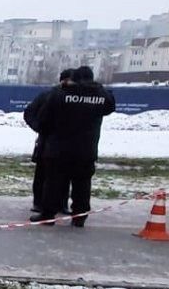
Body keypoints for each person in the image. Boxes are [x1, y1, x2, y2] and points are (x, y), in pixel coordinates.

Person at [31, 66, 115, 226]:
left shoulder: (60, 94)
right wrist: (97, 87)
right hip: (86, 149)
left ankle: (48, 215)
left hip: (58, 148)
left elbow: (44, 119)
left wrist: (46, 134)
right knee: (82, 184)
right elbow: (110, 105)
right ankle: (80, 216)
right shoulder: (100, 96)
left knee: (53, 183)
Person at [24, 70, 73, 213]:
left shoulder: (74, 97)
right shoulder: (48, 95)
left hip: (68, 143)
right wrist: (39, 128)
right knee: (42, 173)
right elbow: (29, 113)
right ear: (63, 80)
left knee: (65, 175)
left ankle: (61, 203)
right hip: (47, 141)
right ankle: (39, 203)